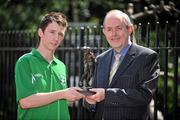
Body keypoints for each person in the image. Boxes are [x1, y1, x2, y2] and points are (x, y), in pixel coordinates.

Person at [85, 10, 160, 120]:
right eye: (109, 29)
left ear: (129, 29)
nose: (113, 34)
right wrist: (91, 101)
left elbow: (145, 95)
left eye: (118, 28)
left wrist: (106, 94)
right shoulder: (101, 59)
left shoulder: (147, 57)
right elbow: (96, 94)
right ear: (104, 32)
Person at [15, 12, 84, 120]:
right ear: (40, 32)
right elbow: (25, 102)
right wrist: (63, 94)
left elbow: (59, 100)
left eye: (60, 34)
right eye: (52, 32)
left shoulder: (61, 66)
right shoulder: (25, 62)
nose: (56, 38)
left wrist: (79, 95)